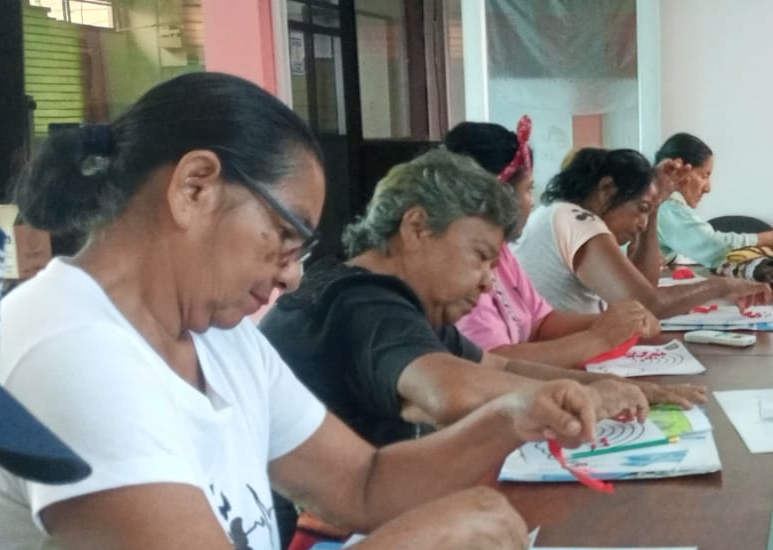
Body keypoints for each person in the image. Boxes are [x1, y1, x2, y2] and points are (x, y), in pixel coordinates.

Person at [0, 72, 599, 550]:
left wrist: (509, 418)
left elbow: (361, 484)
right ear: (194, 187)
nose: (290, 277)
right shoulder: (69, 348)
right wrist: (435, 531)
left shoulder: (220, 337)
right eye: (284, 236)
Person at [261, 148, 704, 447]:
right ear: (417, 228)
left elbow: (495, 367)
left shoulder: (392, 299)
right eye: (480, 256)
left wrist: (621, 388)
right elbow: (447, 391)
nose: (489, 283)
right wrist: (578, 397)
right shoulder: (359, 300)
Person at [443, 119, 661, 368]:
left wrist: (613, 323)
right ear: (497, 197)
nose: (531, 202)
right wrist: (599, 338)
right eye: (528, 190)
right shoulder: (459, 265)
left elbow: (541, 323)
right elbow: (493, 363)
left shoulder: (501, 253)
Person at [511, 147, 771, 317]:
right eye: (641, 209)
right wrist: (722, 285)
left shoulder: (560, 213)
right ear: (607, 189)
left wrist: (655, 203)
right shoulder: (575, 219)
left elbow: (644, 288)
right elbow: (647, 304)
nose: (643, 223)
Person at [652, 132, 773, 269]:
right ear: (679, 169)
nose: (708, 188)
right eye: (704, 175)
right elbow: (712, 247)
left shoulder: (661, 202)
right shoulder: (667, 205)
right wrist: (772, 239)